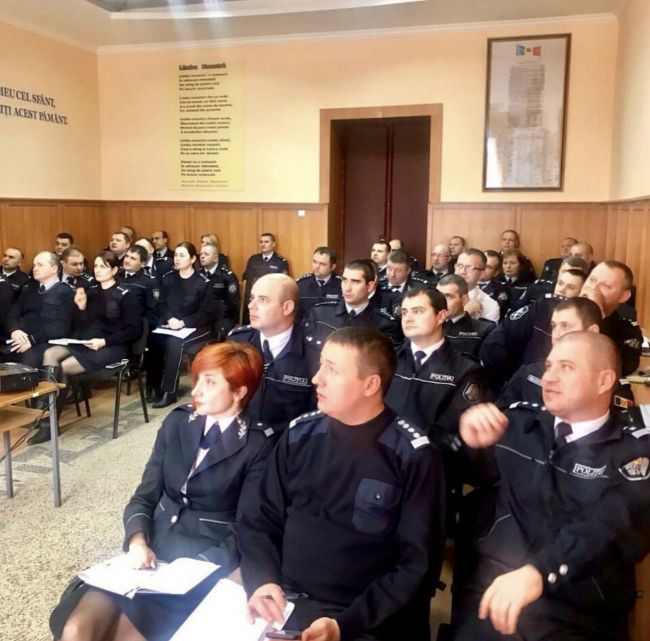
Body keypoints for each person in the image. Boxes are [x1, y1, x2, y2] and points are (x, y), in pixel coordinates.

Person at [49, 341, 277, 641]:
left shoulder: (259, 443)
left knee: (124, 636)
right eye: (197, 379)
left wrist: (194, 567)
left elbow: (249, 527)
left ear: (239, 392)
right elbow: (145, 495)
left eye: (210, 382)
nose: (196, 390)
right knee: (77, 630)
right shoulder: (178, 422)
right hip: (150, 551)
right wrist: (137, 541)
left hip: (201, 561)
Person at [238, 327, 446, 641]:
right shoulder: (300, 434)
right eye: (321, 365)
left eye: (332, 370)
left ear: (370, 384)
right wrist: (262, 579)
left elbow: (416, 567)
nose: (316, 379)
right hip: (284, 600)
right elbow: (259, 516)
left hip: (364, 616)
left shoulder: (412, 456)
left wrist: (345, 624)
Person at [451, 332, 650, 641]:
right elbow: (465, 477)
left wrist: (540, 571)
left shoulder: (633, 452)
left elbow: (611, 525)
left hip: (576, 610)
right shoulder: (518, 424)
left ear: (604, 381)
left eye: (566, 367)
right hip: (494, 594)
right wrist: (466, 443)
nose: (548, 378)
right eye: (548, 366)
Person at [31, 251, 142, 444]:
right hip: (89, 343)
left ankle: (49, 421)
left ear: (114, 270)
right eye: (96, 266)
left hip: (113, 346)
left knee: (63, 367)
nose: (97, 270)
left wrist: (104, 342)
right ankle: (46, 414)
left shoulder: (125, 295)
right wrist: (81, 308)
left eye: (103, 267)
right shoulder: (90, 292)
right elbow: (83, 327)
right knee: (50, 353)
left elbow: (134, 331)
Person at [385, 284, 488, 450]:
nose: (408, 319)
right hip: (378, 454)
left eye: (417, 311)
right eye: (404, 312)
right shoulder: (387, 358)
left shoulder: (466, 370)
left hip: (428, 457)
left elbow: (451, 431)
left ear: (440, 316)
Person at [230, 274, 314, 430]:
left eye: (263, 300)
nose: (251, 306)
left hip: (288, 439)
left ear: (287, 307)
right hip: (242, 435)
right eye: (252, 298)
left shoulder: (313, 351)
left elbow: (316, 416)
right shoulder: (237, 341)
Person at [479, 269, 587, 387]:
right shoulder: (541, 307)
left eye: (570, 287)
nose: (561, 290)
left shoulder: (583, 323)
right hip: (523, 381)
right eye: (560, 283)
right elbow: (501, 337)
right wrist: (506, 378)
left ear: (581, 294)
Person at [147, 242, 219, 408]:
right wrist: (170, 318)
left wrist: (183, 322)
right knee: (153, 340)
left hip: (198, 327)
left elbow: (206, 313)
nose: (177, 259)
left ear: (192, 259)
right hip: (172, 325)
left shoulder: (202, 282)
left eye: (182, 255)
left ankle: (170, 392)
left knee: (175, 343)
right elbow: (161, 304)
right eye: (176, 255)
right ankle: (154, 388)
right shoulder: (168, 278)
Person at [497, 297, 602, 409]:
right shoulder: (530, 372)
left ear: (592, 332)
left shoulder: (603, 382)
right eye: (554, 326)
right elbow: (500, 413)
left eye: (565, 326)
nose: (556, 335)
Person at [303, 259, 402, 375]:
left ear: (370, 286)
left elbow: (384, 370)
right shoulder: (320, 313)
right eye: (345, 280)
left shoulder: (384, 325)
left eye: (355, 282)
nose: (347, 288)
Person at [2, 251, 75, 369]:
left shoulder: (67, 292)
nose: (35, 268)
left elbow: (61, 326)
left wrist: (32, 340)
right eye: (34, 265)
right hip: (20, 338)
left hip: (46, 341)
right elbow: (13, 313)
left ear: (54, 268)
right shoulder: (29, 288)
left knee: (26, 362)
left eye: (40, 265)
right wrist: (14, 330)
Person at [580, 260, 642, 376]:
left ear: (623, 296)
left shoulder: (626, 328)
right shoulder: (557, 311)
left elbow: (626, 366)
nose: (593, 288)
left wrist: (599, 316)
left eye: (606, 286)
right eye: (592, 280)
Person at [438, 275, 495, 360]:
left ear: (464, 299)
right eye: (438, 296)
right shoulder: (427, 326)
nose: (441, 302)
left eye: (448, 296)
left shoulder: (485, 330)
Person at [242, 232, 289, 324]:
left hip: (270, 301)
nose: (263, 244)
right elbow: (246, 279)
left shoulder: (280, 261)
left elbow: (283, 283)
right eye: (261, 242)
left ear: (273, 244)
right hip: (253, 299)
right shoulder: (253, 260)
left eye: (266, 242)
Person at [198, 242, 240, 338]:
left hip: (224, 315)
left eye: (206, 254)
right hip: (202, 314)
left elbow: (233, 304)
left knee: (218, 336)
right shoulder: (198, 275)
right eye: (201, 254)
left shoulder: (227, 276)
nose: (202, 256)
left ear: (216, 258)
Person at [119, 244, 161, 327]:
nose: (127, 260)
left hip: (135, 326)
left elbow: (153, 312)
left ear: (142, 264)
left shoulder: (150, 282)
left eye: (133, 258)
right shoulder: (115, 277)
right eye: (127, 256)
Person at [296, 246, 342, 321]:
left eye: (322, 264)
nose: (317, 267)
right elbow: (296, 314)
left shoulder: (341, 285)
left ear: (333, 267)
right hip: (306, 326)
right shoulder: (301, 284)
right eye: (314, 262)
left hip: (331, 326)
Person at [454, 248, 500, 323]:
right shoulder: (439, 294)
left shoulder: (490, 305)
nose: (462, 271)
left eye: (469, 268)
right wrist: (465, 313)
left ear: (481, 273)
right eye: (459, 265)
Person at [478, 251, 509, 318]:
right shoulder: (464, 282)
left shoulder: (500, 290)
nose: (482, 268)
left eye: (488, 267)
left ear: (495, 273)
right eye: (481, 264)